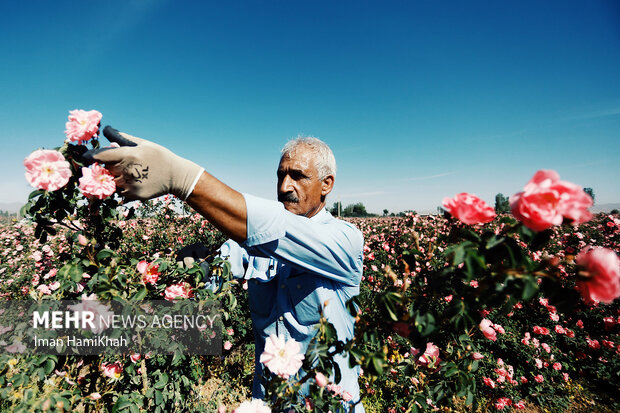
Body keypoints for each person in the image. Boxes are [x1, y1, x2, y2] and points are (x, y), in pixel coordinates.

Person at [85, 126, 365, 411]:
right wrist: (189, 268)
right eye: (281, 175)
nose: (284, 187)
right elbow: (218, 265)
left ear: (327, 184)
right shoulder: (253, 246)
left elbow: (274, 230)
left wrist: (180, 177)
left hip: (327, 405)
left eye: (298, 176)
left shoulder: (344, 241)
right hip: (271, 402)